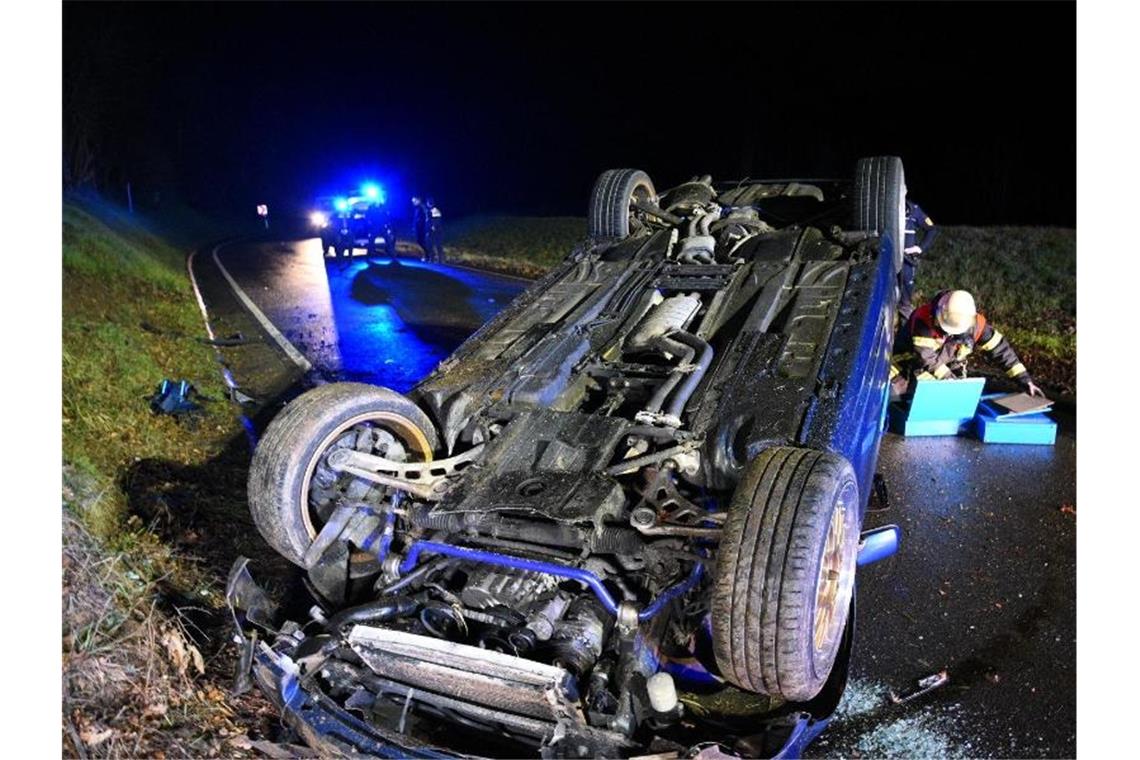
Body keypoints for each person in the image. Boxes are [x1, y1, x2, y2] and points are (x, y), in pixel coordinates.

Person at [890, 289, 1043, 398]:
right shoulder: (923, 319)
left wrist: (1025, 380)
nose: (950, 334)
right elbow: (926, 359)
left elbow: (1001, 351)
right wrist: (951, 382)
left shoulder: (976, 324)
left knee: (951, 401)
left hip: (944, 370)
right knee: (893, 394)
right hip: (907, 365)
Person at [899, 200, 939, 318]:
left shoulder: (914, 209)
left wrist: (920, 248)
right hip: (888, 255)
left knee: (907, 284)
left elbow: (932, 229)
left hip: (907, 259)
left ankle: (905, 315)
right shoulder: (885, 207)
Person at [425, 197, 445, 263]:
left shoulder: (435, 210)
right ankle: (433, 258)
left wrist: (433, 227)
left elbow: (437, 220)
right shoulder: (430, 211)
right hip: (431, 230)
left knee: (437, 245)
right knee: (430, 245)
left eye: (428, 202)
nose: (427, 204)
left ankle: (440, 260)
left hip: (436, 231)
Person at [411, 195, 429, 261]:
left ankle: (427, 255)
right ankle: (426, 255)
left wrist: (425, 226)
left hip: (422, 228)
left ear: (418, 200)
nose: (413, 202)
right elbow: (416, 218)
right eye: (413, 201)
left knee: (421, 241)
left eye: (414, 201)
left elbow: (425, 218)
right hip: (418, 228)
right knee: (419, 241)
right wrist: (414, 226)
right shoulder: (417, 208)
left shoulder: (422, 207)